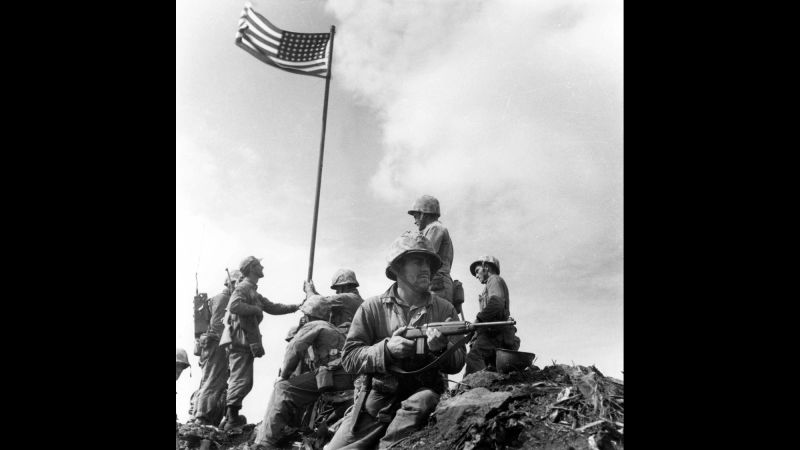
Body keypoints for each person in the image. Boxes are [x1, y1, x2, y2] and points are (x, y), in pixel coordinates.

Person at [325, 231, 466, 449]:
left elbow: (457, 362)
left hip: (422, 396)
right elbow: (350, 358)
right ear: (398, 267)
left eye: (429, 263)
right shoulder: (372, 308)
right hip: (379, 399)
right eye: (418, 261)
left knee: (423, 401)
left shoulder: (444, 309)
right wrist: (387, 350)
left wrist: (441, 349)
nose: (426, 268)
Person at [253, 290, 363, 449]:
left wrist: (283, 376)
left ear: (308, 314)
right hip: (346, 379)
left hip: (335, 376)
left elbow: (295, 348)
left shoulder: (314, 325)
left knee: (283, 389)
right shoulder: (333, 329)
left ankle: (265, 443)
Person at [219, 256, 302, 431]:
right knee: (241, 380)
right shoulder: (243, 288)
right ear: (251, 268)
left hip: (245, 341)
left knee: (242, 380)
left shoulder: (253, 291)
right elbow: (234, 306)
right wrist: (256, 309)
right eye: (259, 265)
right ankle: (232, 419)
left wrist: (297, 306)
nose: (262, 266)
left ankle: (229, 418)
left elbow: (273, 307)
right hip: (240, 341)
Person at [192, 270, 241, 426]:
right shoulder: (224, 299)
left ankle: (200, 416)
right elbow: (218, 327)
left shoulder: (220, 299)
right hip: (216, 344)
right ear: (231, 283)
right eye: (238, 282)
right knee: (213, 381)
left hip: (212, 345)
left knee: (210, 380)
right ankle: (201, 417)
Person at [464, 256, 521, 375]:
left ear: (486, 267)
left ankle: (471, 390)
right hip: (494, 334)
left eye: (477, 271)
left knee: (474, 357)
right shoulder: (490, 285)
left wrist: (477, 321)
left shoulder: (494, 279)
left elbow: (496, 303)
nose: (476, 275)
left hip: (495, 335)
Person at [407, 195, 459, 311]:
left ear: (424, 214)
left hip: (437, 283)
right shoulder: (432, 229)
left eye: (416, 216)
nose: (414, 221)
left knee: (436, 318)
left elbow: (424, 254)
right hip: (436, 282)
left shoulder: (436, 228)